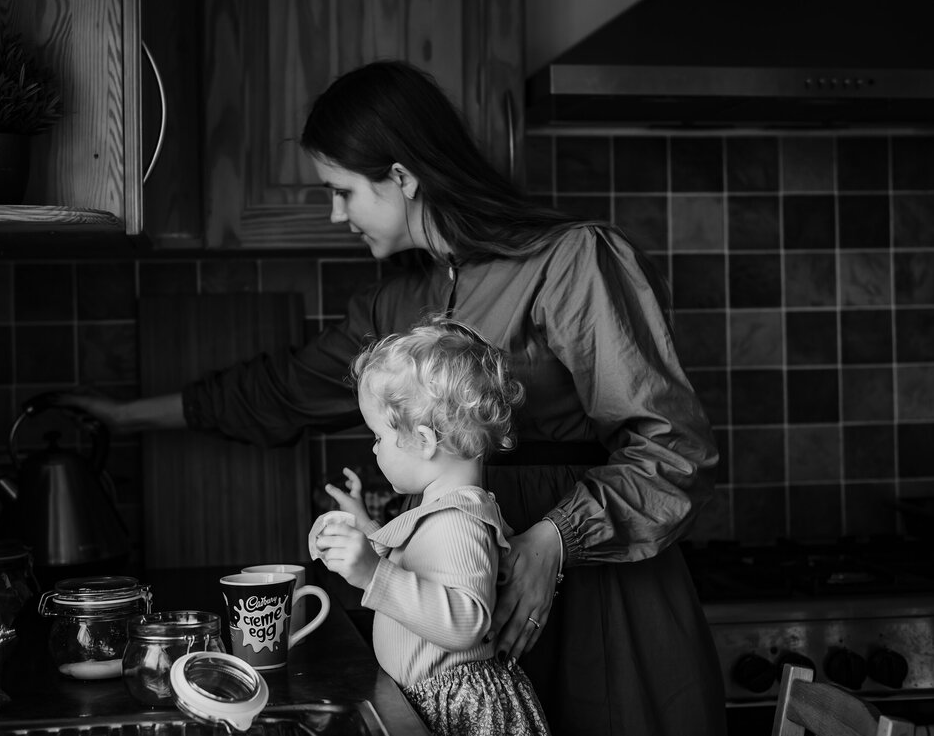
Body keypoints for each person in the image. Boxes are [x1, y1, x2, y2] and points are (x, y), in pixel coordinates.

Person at [55, 59, 726, 735]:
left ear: (402, 177)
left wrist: (553, 540)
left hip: (602, 606)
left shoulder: (573, 261)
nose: (335, 213)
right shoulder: (396, 302)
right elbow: (283, 390)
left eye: (343, 190)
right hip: (456, 635)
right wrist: (125, 415)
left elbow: (676, 450)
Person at [312, 316, 549, 736]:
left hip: (457, 712)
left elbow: (465, 622)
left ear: (423, 440)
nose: (374, 448)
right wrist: (365, 526)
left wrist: (371, 573)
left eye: (378, 437)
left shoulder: (460, 522)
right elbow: (418, 569)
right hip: (427, 697)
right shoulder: (442, 510)